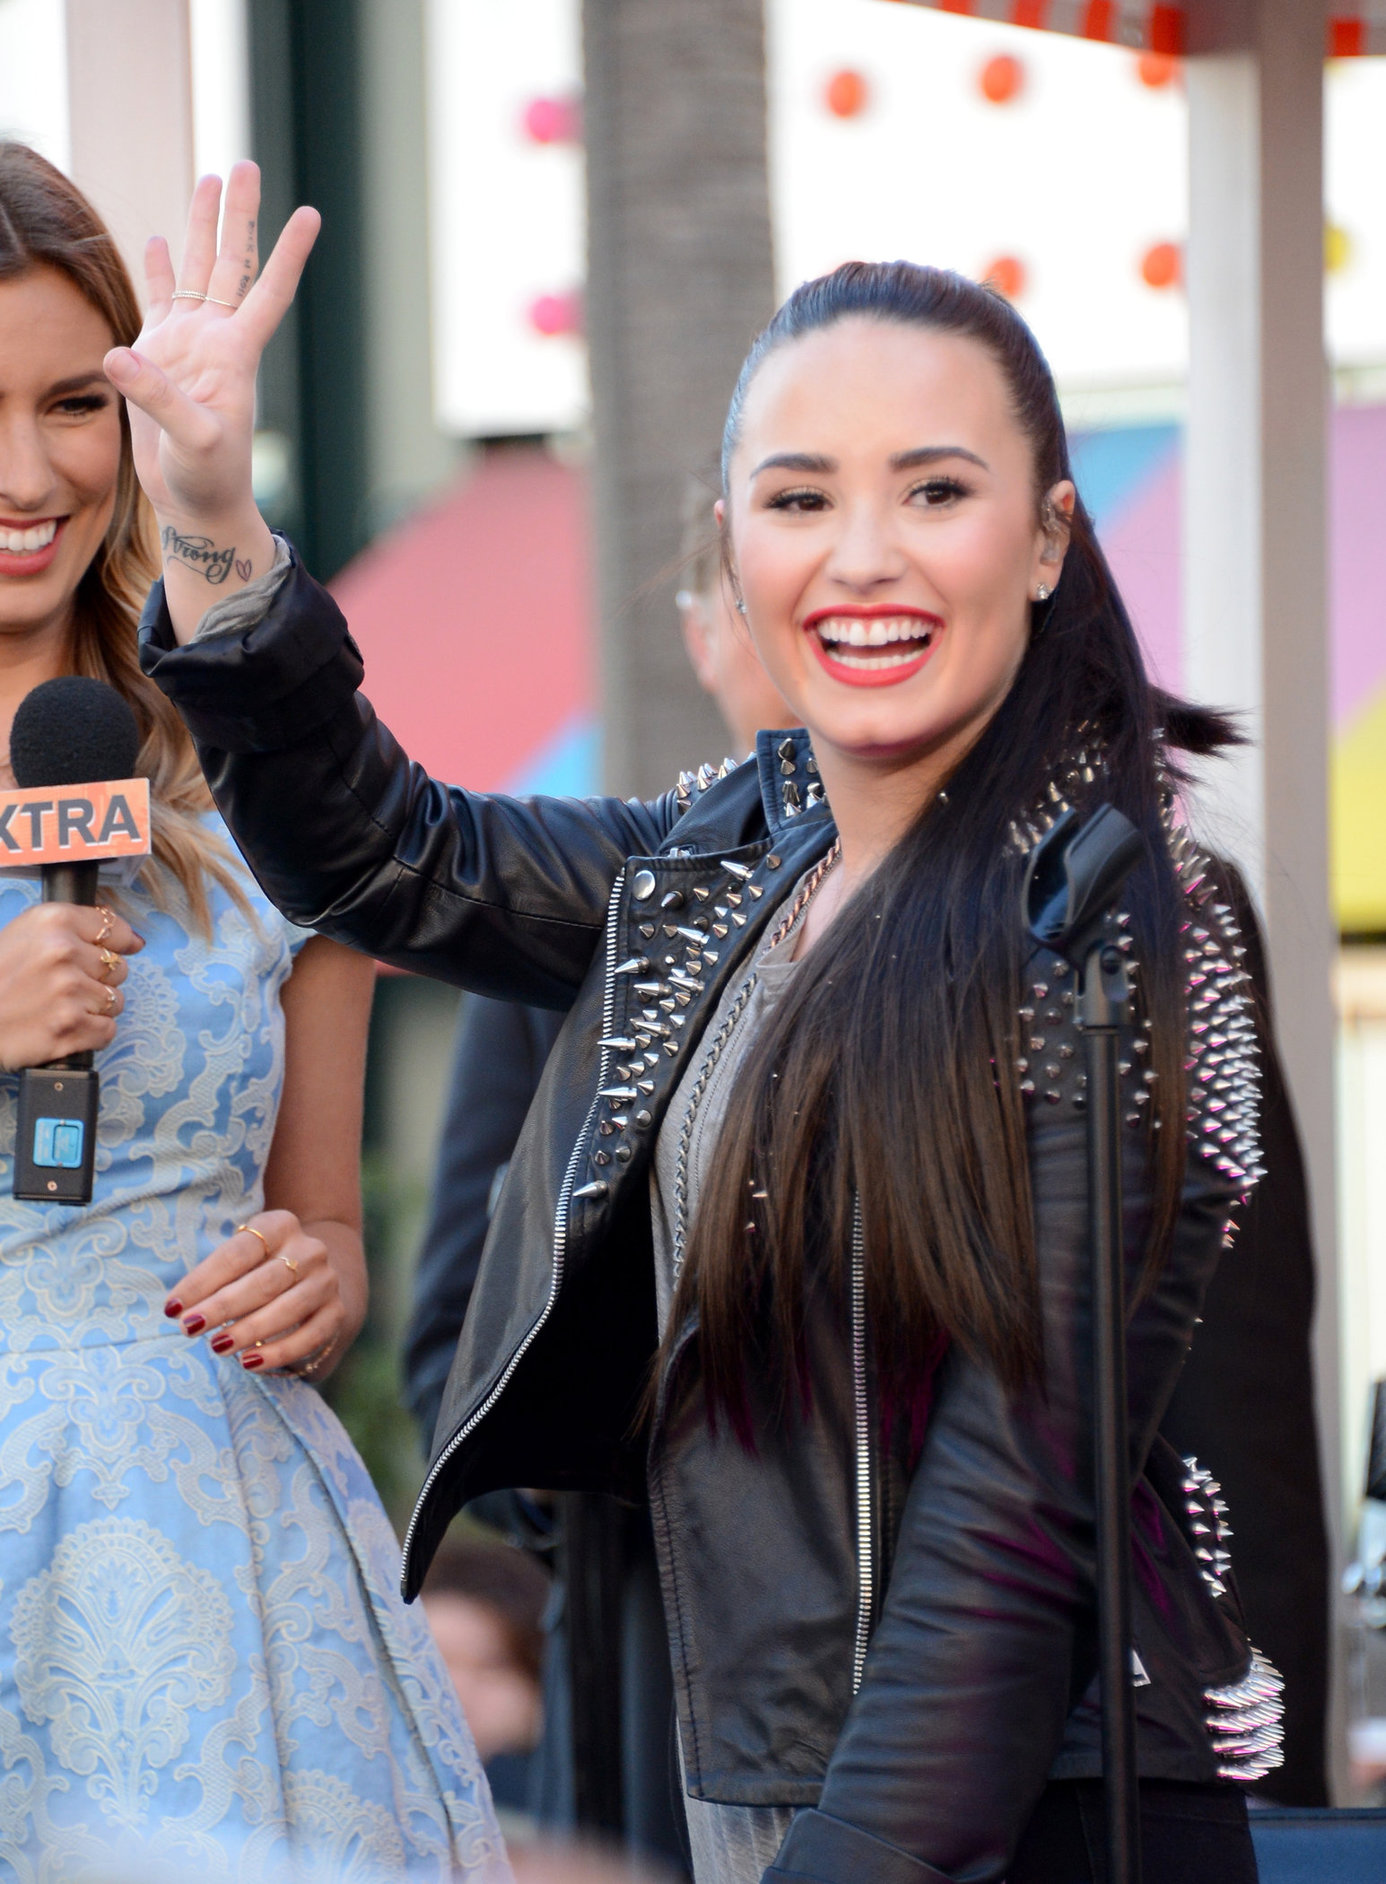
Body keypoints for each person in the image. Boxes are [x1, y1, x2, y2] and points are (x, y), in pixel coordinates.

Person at [121, 162, 1281, 1882]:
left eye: (934, 491)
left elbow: (1010, 1513)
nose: (862, 557)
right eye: (797, 499)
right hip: (743, 1756)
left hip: (1009, 1803)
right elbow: (391, 860)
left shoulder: (1112, 905)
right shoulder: (725, 854)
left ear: (1044, 536)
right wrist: (211, 510)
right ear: (730, 546)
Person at [0, 145, 507, 1879]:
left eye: (74, 400)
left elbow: (324, 1235)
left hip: (224, 1556)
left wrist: (318, 1278)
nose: (29, 469)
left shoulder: (257, 758)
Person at [405, 496, 796, 1873]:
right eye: (759, 574)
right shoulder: (612, 896)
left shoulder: (1084, 894)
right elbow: (454, 1324)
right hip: (648, 1637)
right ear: (703, 633)